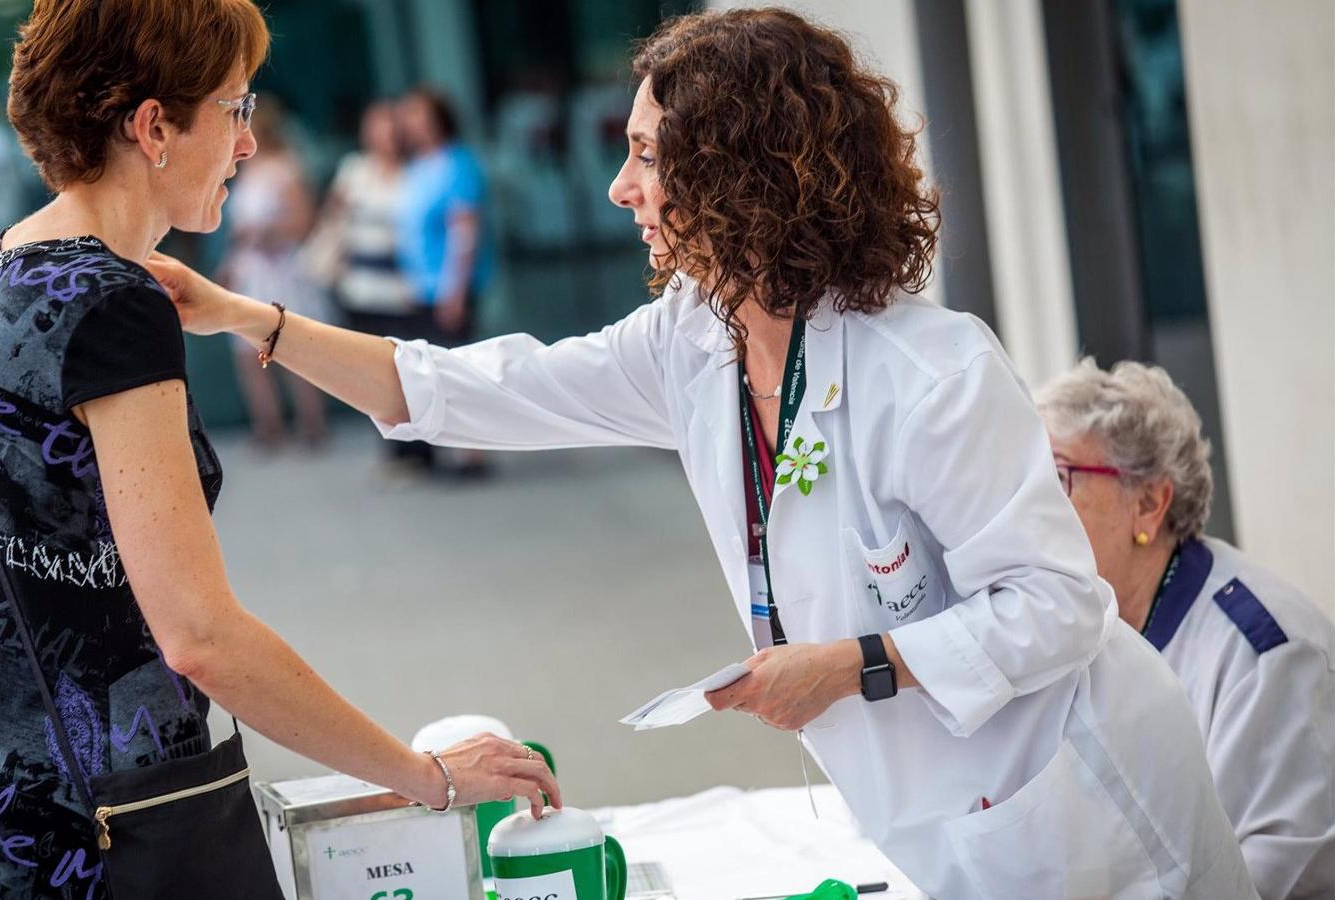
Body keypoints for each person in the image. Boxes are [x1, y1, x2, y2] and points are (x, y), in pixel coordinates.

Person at [149, 9, 1255, 897]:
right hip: (932, 812)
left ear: (741, 173)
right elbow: (470, 387)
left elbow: (1060, 605)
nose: (621, 187)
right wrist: (249, 320)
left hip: (1081, 808)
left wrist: (853, 663)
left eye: (644, 157)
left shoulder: (929, 371)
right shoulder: (695, 337)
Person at [0, 1, 558, 896]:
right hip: (110, 841)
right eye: (237, 107)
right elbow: (201, 637)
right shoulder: (110, 304)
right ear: (154, 127)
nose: (249, 143)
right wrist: (428, 778)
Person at [1038, 358, 1335, 900]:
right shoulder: (1081, 629)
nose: (1032, 507)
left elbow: (1273, 882)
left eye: (1058, 478)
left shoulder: (1262, 654)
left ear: (1149, 504)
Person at [317, 100, 424, 471]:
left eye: (390, 127)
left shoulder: (415, 172)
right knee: (372, 371)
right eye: (377, 127)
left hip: (403, 287)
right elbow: (334, 217)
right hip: (361, 286)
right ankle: (394, 451)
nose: (385, 135)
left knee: (409, 369)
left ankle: (420, 449)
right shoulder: (355, 169)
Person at [394, 87, 492, 476]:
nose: (412, 123)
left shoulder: (458, 164)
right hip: (420, 287)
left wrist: (455, 290)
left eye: (419, 114)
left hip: (450, 287)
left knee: (460, 369)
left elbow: (464, 231)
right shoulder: (417, 166)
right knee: (426, 372)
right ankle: (442, 449)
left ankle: (474, 454)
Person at [220, 97, 328, 449]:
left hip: (281, 268)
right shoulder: (244, 171)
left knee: (289, 346)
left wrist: (270, 233)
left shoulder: (286, 169)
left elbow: (304, 221)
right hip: (251, 269)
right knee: (247, 353)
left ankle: (311, 423)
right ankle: (268, 424)